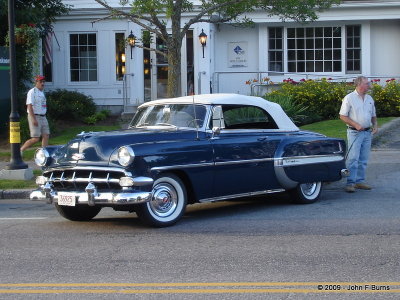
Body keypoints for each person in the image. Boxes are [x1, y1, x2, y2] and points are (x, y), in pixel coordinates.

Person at [339, 76, 378, 193]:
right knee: (353, 158)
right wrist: (355, 124)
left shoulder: (369, 98)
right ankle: (350, 183)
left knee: (363, 159)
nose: (369, 85)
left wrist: (375, 125)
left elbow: (373, 115)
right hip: (354, 132)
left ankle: (359, 181)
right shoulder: (349, 98)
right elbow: (342, 116)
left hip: (367, 132)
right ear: (359, 84)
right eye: (366, 83)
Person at [20, 75, 50, 153]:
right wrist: (33, 119)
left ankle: (44, 154)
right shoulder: (32, 92)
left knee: (46, 135)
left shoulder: (42, 92)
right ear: (36, 82)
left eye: (43, 82)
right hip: (35, 116)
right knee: (35, 138)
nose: (42, 83)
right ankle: (20, 151)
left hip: (43, 116)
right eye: (40, 82)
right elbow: (29, 106)